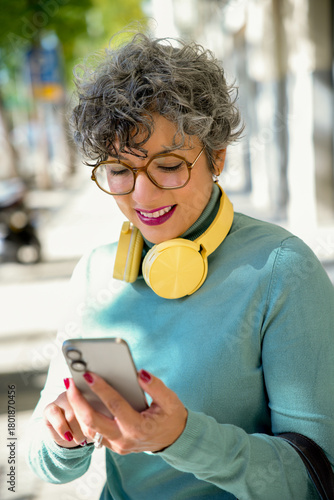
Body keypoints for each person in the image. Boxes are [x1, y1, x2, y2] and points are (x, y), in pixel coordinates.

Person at [26, 31, 334, 499]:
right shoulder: (93, 272)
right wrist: (62, 436)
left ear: (217, 157)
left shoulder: (282, 269)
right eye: (119, 170)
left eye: (168, 165)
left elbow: (315, 478)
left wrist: (181, 438)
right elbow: (36, 459)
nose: (142, 197)